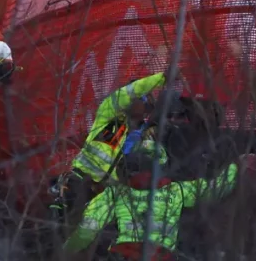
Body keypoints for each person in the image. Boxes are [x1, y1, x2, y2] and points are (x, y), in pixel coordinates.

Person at [62, 139, 238, 261]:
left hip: (122, 256)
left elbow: (85, 232)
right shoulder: (177, 191)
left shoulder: (114, 194)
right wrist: (236, 166)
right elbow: (216, 190)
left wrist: (62, 252)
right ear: (162, 165)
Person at [51, 72, 168, 221]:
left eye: (140, 99)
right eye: (135, 98)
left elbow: (158, 162)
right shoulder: (108, 116)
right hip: (81, 179)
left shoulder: (146, 132)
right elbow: (125, 94)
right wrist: (162, 78)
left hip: (110, 192)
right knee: (62, 218)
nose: (134, 102)